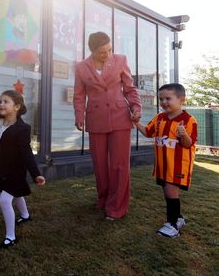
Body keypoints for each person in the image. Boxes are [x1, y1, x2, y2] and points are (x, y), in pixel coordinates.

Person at [73, 31, 141, 220]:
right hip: (95, 119)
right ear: (92, 50)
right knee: (100, 165)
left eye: (110, 50)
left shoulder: (120, 60)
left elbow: (130, 88)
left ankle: (116, 207)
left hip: (121, 117)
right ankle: (103, 199)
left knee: (119, 165)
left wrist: (136, 106)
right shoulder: (81, 67)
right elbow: (79, 95)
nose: (108, 55)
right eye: (103, 52)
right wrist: (79, 115)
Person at [0, 79, 45, 249]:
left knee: (5, 200)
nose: (1, 104)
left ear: (17, 107)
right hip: (1, 167)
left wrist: (36, 174)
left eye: (6, 102)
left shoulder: (23, 128)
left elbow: (27, 153)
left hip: (16, 169)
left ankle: (10, 236)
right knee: (16, 193)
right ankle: (25, 215)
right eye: (0, 101)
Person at [134, 83, 198, 238]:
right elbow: (148, 133)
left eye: (168, 98)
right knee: (168, 192)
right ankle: (179, 218)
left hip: (178, 166)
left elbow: (188, 144)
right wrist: (135, 122)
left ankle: (173, 225)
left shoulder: (189, 120)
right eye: (161, 99)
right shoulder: (159, 118)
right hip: (163, 166)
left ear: (181, 99)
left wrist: (183, 134)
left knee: (171, 192)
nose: (164, 102)